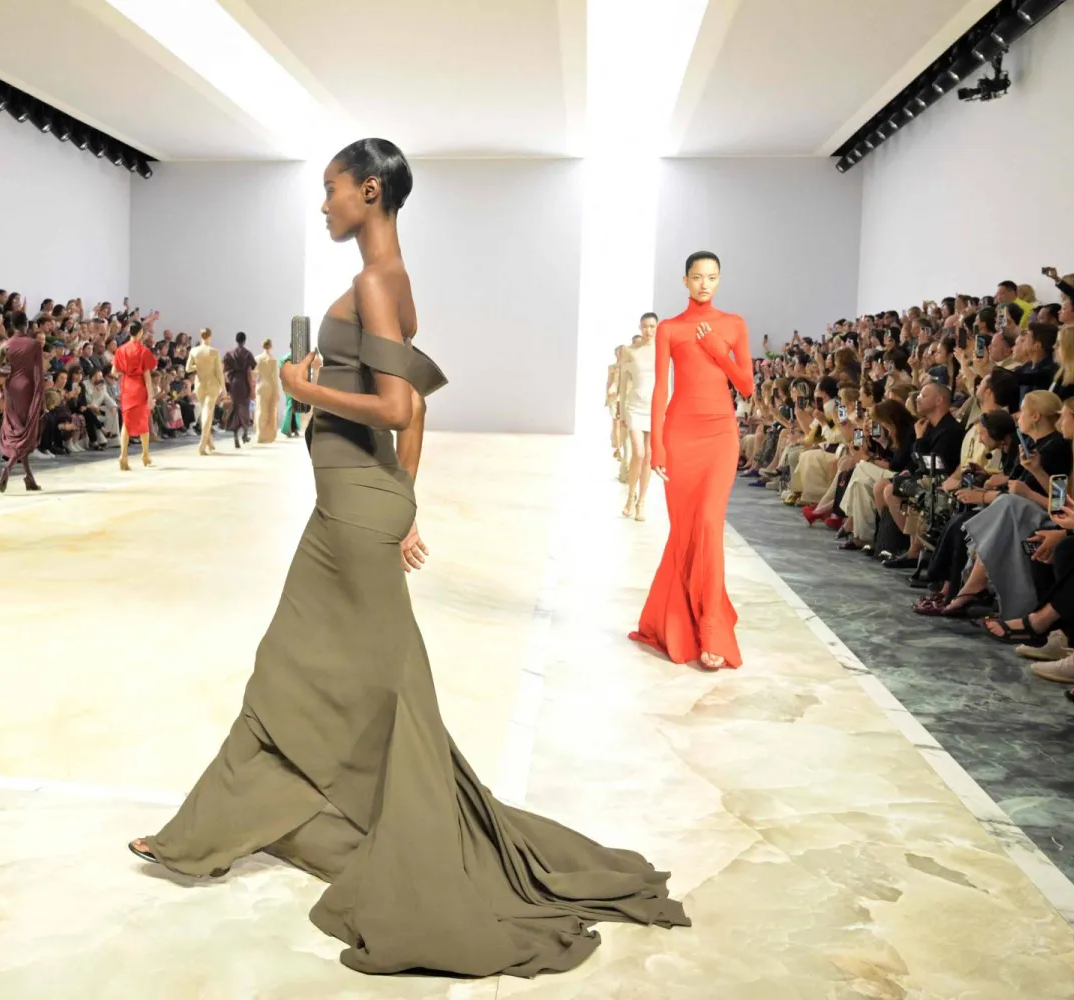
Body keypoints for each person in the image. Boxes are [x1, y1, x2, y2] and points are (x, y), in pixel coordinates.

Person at [128, 138, 687, 979]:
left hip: (354, 513)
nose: (322, 204)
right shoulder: (391, 281)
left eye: (330, 190)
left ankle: (365, 842)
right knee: (293, 669)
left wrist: (303, 388)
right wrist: (405, 499)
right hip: (353, 509)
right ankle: (201, 832)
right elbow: (415, 410)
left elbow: (396, 405)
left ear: (369, 191)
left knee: (375, 688)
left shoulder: (377, 284)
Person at [630, 250, 754, 670]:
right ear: (685, 280)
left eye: (712, 277)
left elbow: (747, 386)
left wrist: (718, 350)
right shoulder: (670, 328)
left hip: (720, 436)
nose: (704, 284)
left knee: (709, 526)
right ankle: (681, 622)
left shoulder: (733, 325)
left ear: (719, 280)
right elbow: (660, 391)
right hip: (681, 436)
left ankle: (712, 630)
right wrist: (658, 446)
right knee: (685, 531)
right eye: (698, 277)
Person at [0, 311, 44, 492]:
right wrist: (41, 399)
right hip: (28, 389)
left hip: (11, 389)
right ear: (26, 324)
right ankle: (7, 469)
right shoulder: (35, 344)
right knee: (26, 433)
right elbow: (39, 374)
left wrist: (8, 373)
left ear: (12, 325)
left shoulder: (5, 344)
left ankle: (29, 477)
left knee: (17, 429)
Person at [618, 313, 658, 520]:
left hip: (655, 408)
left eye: (652, 326)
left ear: (657, 327)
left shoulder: (662, 351)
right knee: (639, 453)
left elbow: (667, 382)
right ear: (639, 327)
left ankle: (641, 502)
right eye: (644, 326)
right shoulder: (630, 351)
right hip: (635, 407)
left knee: (649, 456)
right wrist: (622, 411)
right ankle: (630, 495)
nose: (648, 330)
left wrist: (667, 409)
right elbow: (623, 383)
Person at [113, 319, 156, 470]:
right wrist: (151, 396)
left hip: (126, 387)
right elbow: (147, 376)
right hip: (140, 388)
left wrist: (126, 373)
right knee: (143, 421)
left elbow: (114, 372)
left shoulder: (121, 349)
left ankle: (123, 455)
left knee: (127, 422)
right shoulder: (144, 351)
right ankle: (145, 455)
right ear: (141, 332)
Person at [186, 327, 223, 456]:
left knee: (205, 411)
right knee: (207, 412)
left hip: (199, 384)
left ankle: (209, 441)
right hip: (212, 384)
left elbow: (188, 368)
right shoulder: (214, 352)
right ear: (210, 336)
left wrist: (198, 365)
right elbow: (219, 372)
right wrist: (224, 389)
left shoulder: (194, 350)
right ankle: (202, 443)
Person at [223, 331, 256, 448]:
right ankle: (245, 434)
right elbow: (249, 372)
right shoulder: (247, 354)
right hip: (244, 383)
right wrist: (252, 388)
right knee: (245, 409)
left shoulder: (229, 354)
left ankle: (236, 438)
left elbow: (225, 371)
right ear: (244, 340)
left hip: (234, 384)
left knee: (235, 410)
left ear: (236, 340)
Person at [255, 337, 281, 443]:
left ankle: (259, 435)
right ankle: (269, 435)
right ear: (270, 346)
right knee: (271, 411)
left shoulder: (257, 358)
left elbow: (255, 373)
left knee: (260, 411)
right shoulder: (273, 360)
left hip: (260, 385)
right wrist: (277, 391)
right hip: (270, 386)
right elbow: (274, 377)